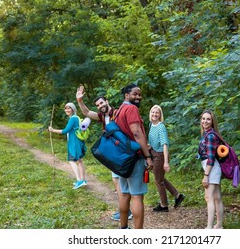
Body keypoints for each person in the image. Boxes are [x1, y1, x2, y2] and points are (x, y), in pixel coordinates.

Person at [76, 85, 133, 221]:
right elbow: (87, 113)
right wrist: (79, 101)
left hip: (121, 151)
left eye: (101, 103)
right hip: (113, 152)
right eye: (97, 105)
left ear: (106, 101)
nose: (100, 106)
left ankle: (126, 210)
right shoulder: (103, 116)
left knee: (120, 181)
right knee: (117, 180)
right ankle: (125, 209)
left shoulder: (117, 113)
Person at [114, 84, 154, 229]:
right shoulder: (131, 109)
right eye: (135, 94)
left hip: (123, 158)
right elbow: (136, 133)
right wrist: (147, 156)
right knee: (137, 196)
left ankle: (123, 228)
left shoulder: (119, 110)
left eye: (139, 94)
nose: (138, 97)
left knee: (124, 194)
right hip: (135, 158)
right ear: (126, 95)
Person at [148, 105, 185, 212]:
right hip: (153, 153)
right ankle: (177, 195)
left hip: (160, 155)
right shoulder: (151, 124)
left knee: (158, 180)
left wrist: (166, 162)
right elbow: (153, 141)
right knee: (160, 178)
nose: (154, 114)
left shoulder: (161, 127)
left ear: (160, 115)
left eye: (157, 113)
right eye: (153, 112)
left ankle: (164, 205)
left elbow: (164, 144)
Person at [48, 102, 87, 189]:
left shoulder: (73, 119)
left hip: (74, 142)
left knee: (71, 160)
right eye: (66, 108)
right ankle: (83, 180)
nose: (67, 110)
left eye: (69, 108)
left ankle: (79, 181)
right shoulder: (76, 118)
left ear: (73, 109)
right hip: (79, 141)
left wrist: (53, 130)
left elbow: (65, 131)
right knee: (80, 160)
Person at [197, 109, 224, 229]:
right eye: (203, 119)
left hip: (211, 169)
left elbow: (211, 158)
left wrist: (206, 175)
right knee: (217, 197)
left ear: (212, 121)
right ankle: (219, 225)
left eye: (208, 119)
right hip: (213, 168)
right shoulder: (208, 134)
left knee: (209, 197)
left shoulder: (211, 136)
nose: (205, 121)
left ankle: (209, 228)